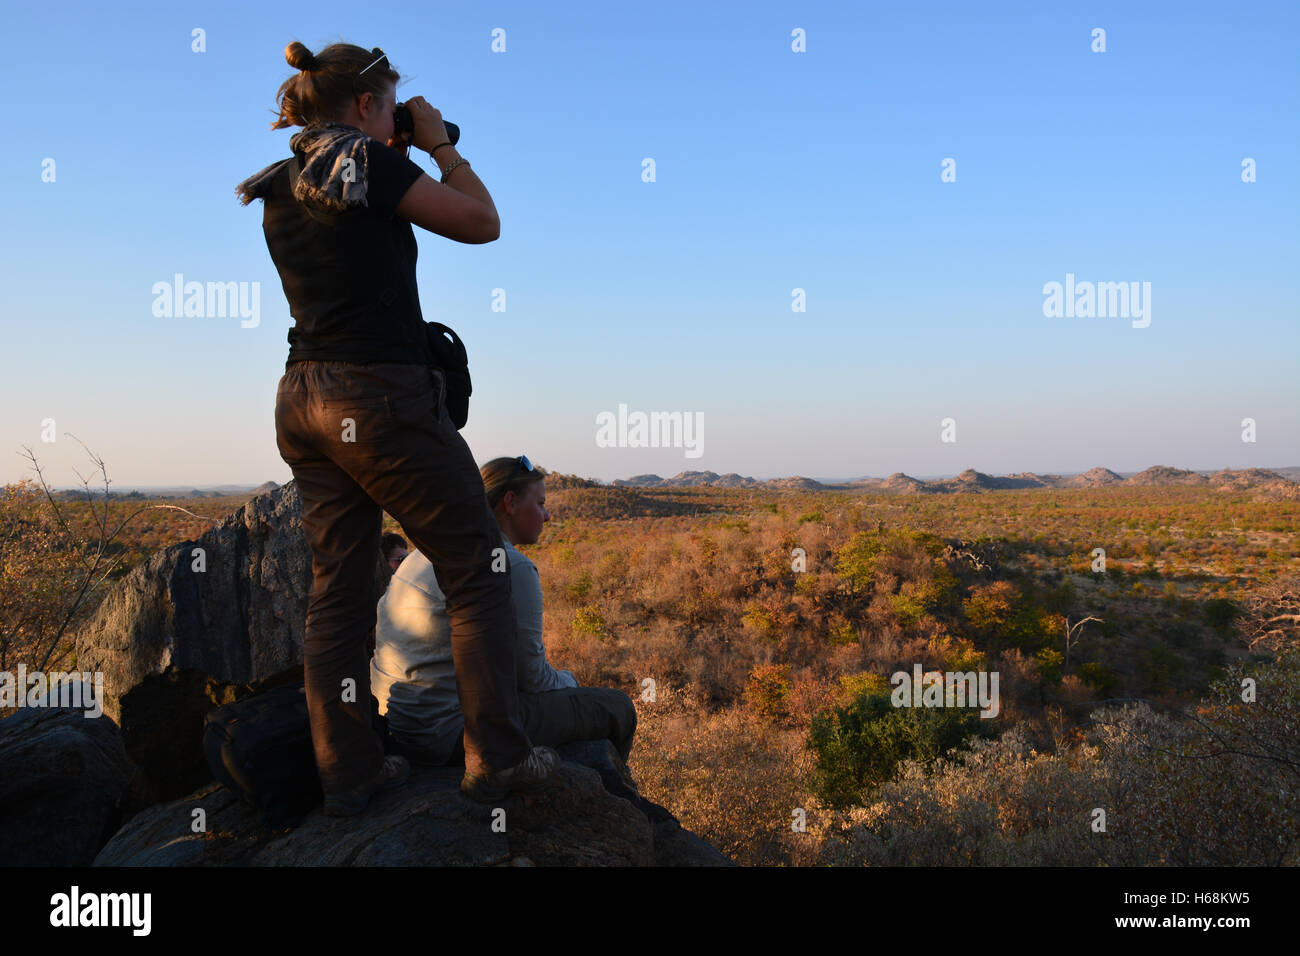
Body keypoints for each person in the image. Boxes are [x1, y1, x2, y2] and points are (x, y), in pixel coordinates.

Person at [235, 40, 557, 814]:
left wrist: (397, 138)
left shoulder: (284, 180)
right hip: (374, 397)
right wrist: (439, 144)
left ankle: (348, 773)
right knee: (479, 569)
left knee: (339, 591)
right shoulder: (368, 166)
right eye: (391, 103)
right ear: (365, 103)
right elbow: (482, 222)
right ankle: (497, 763)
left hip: (301, 398)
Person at [372, 457, 638, 794]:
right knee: (616, 707)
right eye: (540, 503)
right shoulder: (512, 566)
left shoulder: (422, 553)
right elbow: (533, 678)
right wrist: (572, 681)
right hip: (451, 734)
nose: (547, 515)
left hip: (394, 723)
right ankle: (618, 804)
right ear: (510, 503)